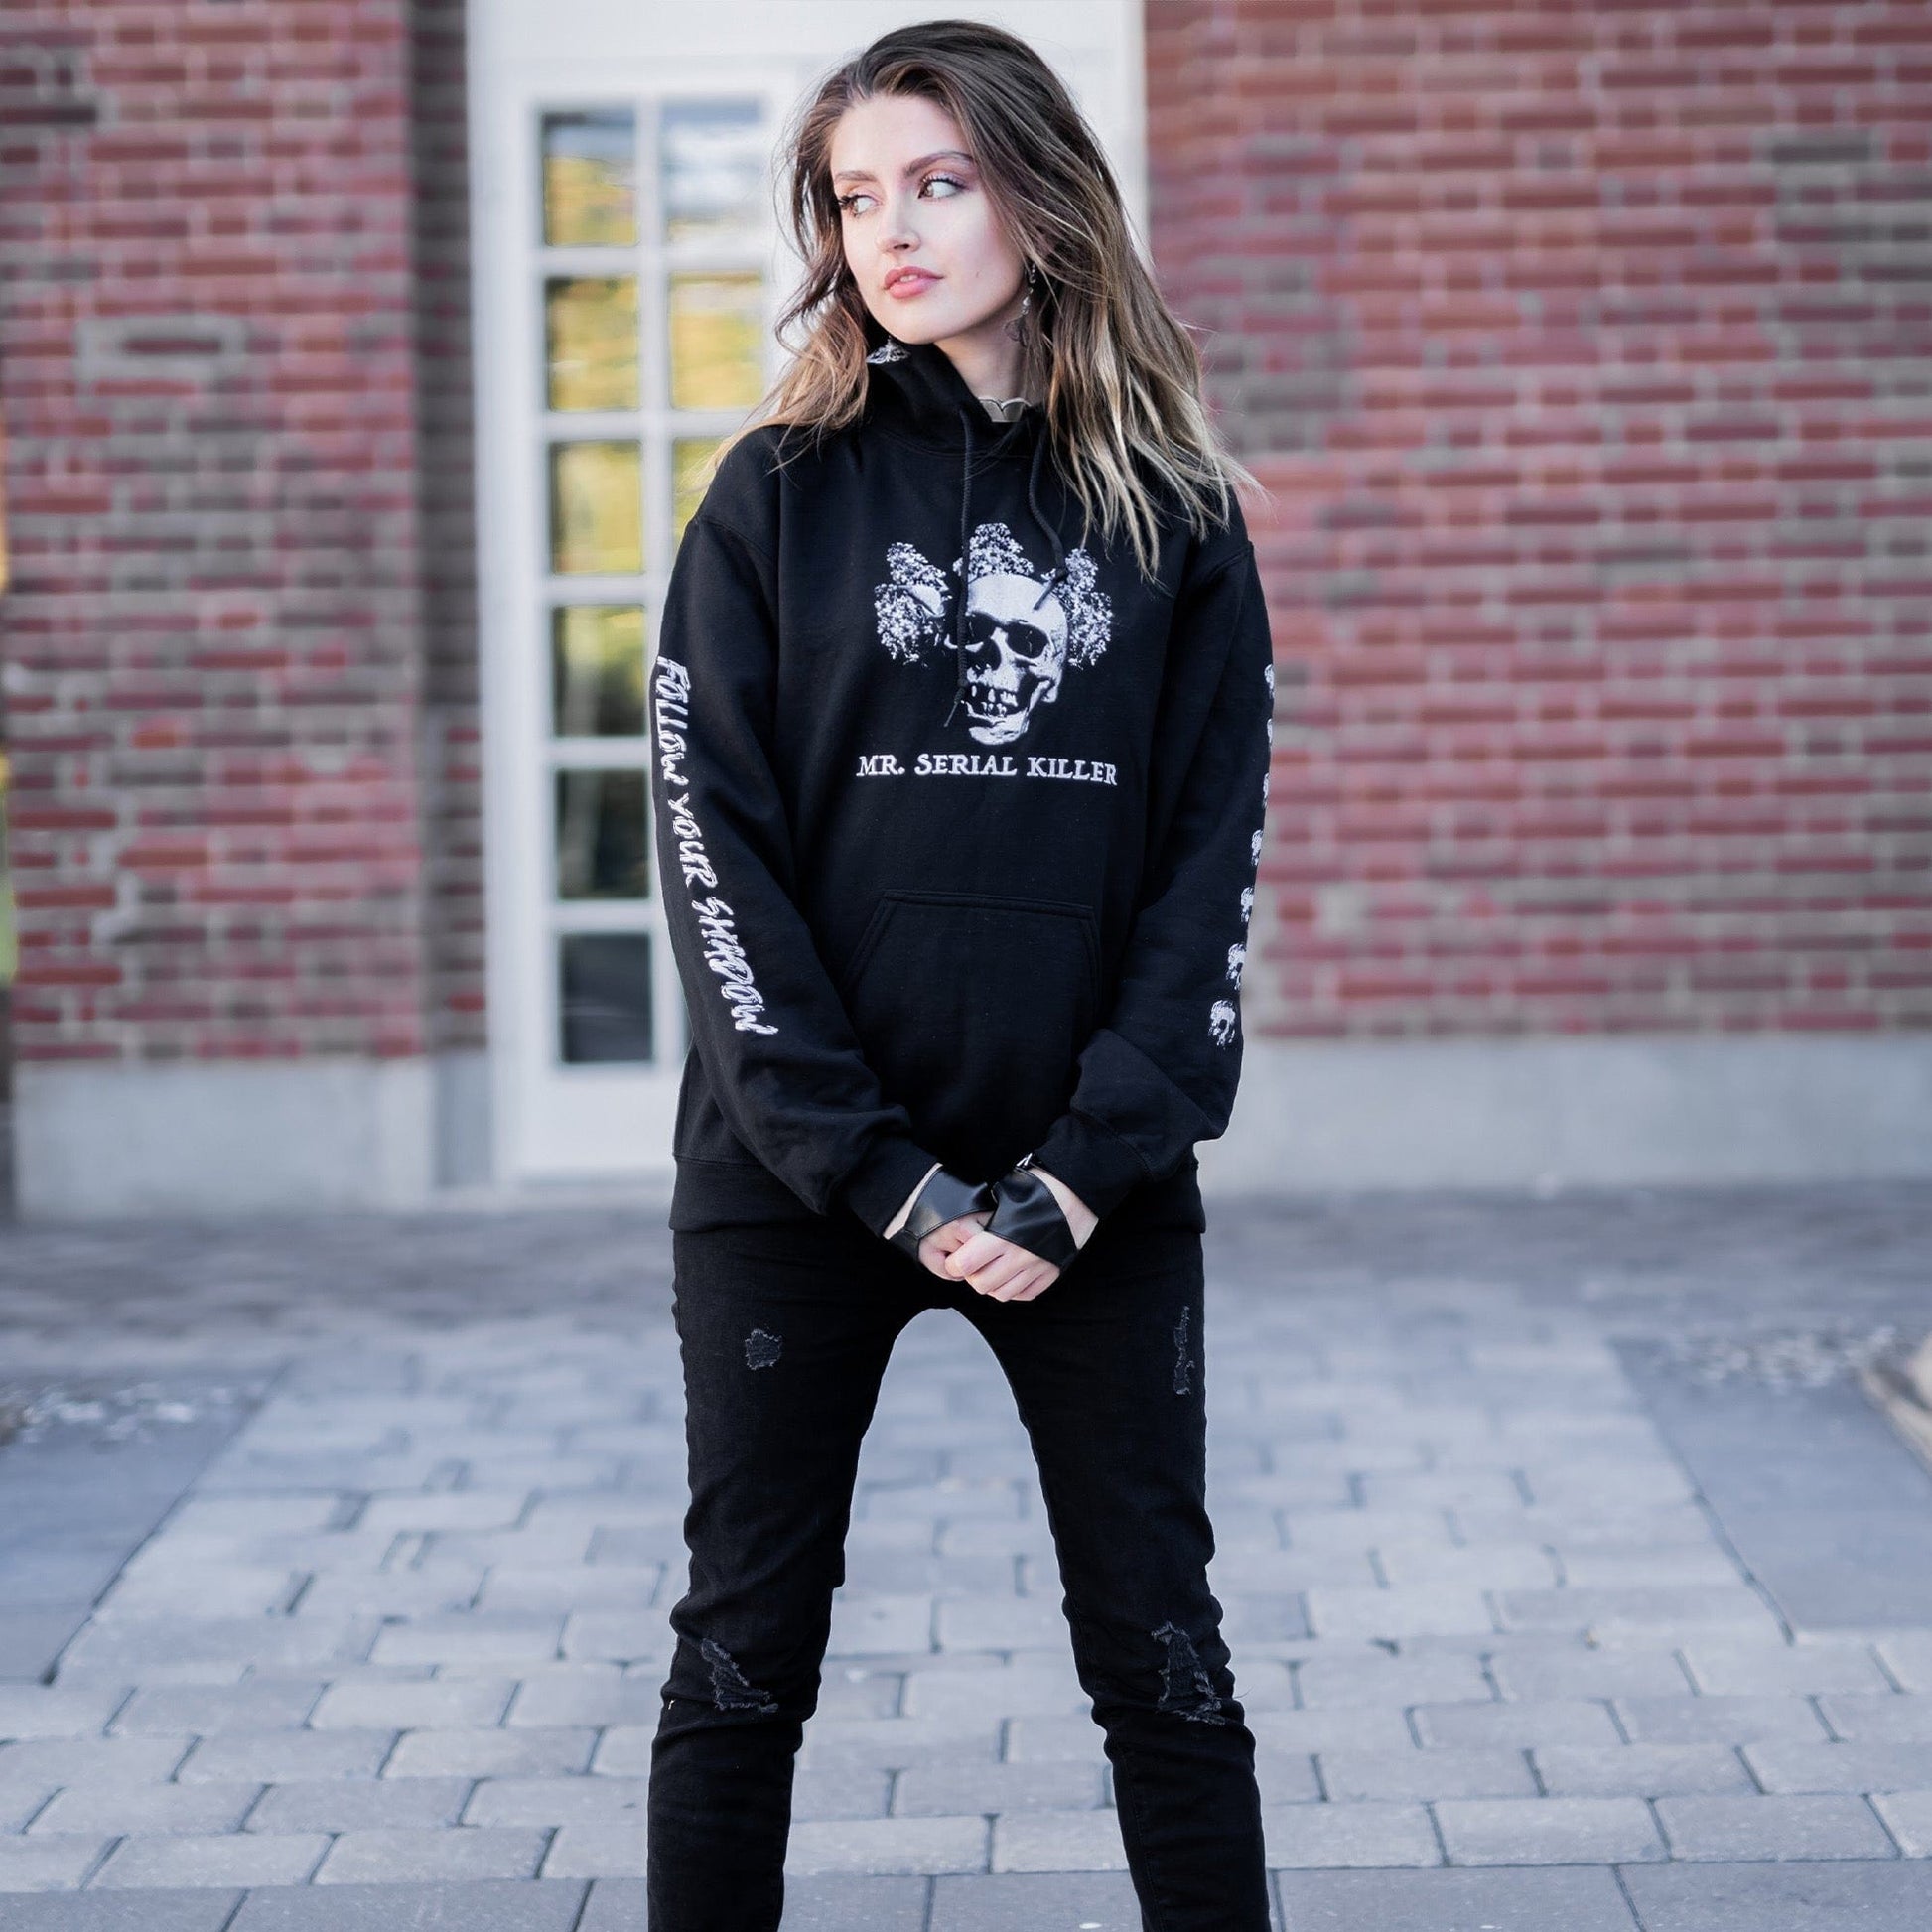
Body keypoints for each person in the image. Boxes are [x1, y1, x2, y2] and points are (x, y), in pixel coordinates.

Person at [643, 18, 1278, 1929]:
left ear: (1038, 188)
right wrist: (884, 1179)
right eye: (855, 196)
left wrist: (1084, 1165)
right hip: (798, 1191)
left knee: (1164, 1665)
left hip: (1085, 1190)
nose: (890, 229)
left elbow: (1204, 883)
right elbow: (712, 864)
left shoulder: (1175, 520)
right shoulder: (773, 496)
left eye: (937, 179)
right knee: (742, 1661)